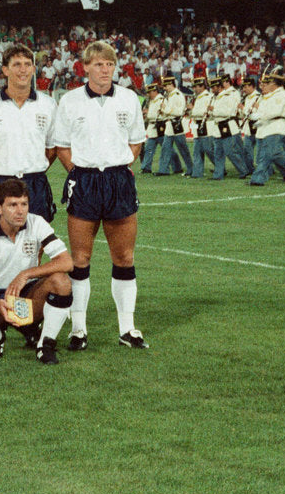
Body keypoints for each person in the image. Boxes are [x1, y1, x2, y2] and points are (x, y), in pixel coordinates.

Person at [50, 40, 148, 350]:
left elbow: (136, 142)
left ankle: (127, 328)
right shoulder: (70, 101)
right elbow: (62, 146)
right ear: (85, 67)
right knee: (80, 259)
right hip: (85, 180)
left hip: (118, 180)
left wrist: (118, 167)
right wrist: (79, 173)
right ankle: (78, 329)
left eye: (109, 65)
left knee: (124, 257)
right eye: (98, 64)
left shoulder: (129, 99)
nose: (104, 70)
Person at [0, 178, 73, 364]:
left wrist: (26, 274)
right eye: (12, 205)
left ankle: (45, 345)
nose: (20, 211)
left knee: (61, 281)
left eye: (24, 204)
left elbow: (66, 262)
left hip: (27, 296)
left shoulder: (36, 223)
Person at [0, 43, 57, 221]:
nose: (23, 70)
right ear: (5, 70)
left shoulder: (48, 104)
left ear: (34, 69)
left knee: (35, 241)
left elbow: (52, 149)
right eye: (17, 64)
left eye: (27, 64)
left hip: (35, 182)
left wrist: (33, 167)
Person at [246, 71, 285, 187]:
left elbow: (275, 112)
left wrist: (258, 114)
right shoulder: (272, 95)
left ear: (275, 84)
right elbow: (265, 112)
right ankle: (257, 179)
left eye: (269, 82)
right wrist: (254, 117)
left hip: (276, 127)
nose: (267, 85)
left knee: (275, 154)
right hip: (269, 127)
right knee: (266, 156)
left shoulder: (280, 95)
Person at [210, 75, 252, 180]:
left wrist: (213, 110)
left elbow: (229, 112)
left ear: (219, 87)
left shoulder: (228, 96)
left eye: (213, 87)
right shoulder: (216, 97)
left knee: (229, 151)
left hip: (226, 126)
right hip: (218, 127)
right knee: (218, 152)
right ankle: (218, 175)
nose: (212, 90)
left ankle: (243, 170)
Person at [156, 75, 191, 175]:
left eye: (166, 86)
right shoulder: (170, 95)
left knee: (183, 149)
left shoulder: (177, 95)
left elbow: (179, 112)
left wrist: (165, 109)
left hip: (177, 124)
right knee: (165, 148)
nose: (165, 88)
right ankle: (163, 170)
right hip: (170, 125)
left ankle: (190, 168)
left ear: (171, 84)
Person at [188, 77, 215, 178]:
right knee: (197, 150)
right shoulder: (198, 97)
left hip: (206, 125)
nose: (194, 89)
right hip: (197, 124)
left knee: (208, 149)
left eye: (196, 87)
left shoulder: (208, 96)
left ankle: (219, 166)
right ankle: (197, 173)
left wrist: (192, 109)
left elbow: (205, 112)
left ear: (202, 86)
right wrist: (191, 111)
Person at [140, 82, 163, 174]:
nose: (148, 94)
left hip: (160, 127)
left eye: (150, 92)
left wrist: (147, 113)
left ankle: (176, 166)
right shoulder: (151, 101)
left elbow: (159, 114)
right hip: (152, 127)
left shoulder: (161, 100)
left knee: (167, 149)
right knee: (149, 148)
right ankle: (146, 167)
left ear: (155, 91)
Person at [238, 77, 259, 169]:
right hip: (248, 128)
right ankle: (250, 168)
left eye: (246, 87)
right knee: (247, 150)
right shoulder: (247, 98)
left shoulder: (258, 97)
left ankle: (267, 169)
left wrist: (243, 108)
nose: (244, 89)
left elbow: (253, 112)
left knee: (261, 151)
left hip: (257, 127)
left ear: (252, 86)